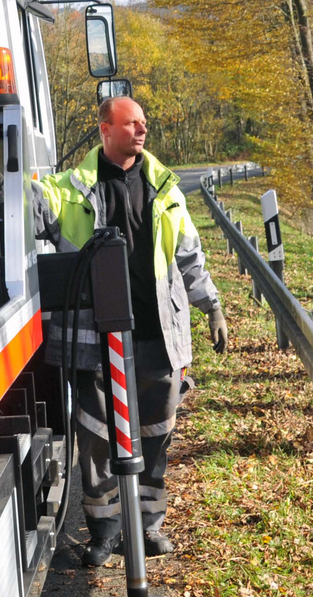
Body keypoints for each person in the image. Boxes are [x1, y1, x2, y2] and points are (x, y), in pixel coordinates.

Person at [33, 96, 227, 566]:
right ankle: (105, 530)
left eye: (144, 123)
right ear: (105, 129)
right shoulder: (72, 187)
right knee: (98, 437)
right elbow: (34, 207)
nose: (142, 131)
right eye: (131, 124)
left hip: (157, 333)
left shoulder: (164, 186)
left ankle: (149, 527)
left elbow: (188, 257)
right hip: (95, 339)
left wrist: (213, 306)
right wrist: (3, 191)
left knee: (157, 430)